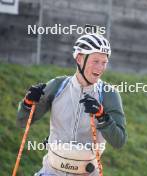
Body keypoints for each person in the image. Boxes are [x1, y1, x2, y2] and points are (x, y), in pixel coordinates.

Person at [17, 33, 127, 176]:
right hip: (51, 172)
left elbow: (119, 141)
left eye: (104, 62)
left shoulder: (108, 93)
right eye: (95, 61)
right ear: (79, 58)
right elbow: (23, 122)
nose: (100, 68)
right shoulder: (57, 86)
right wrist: (27, 104)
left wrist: (102, 116)